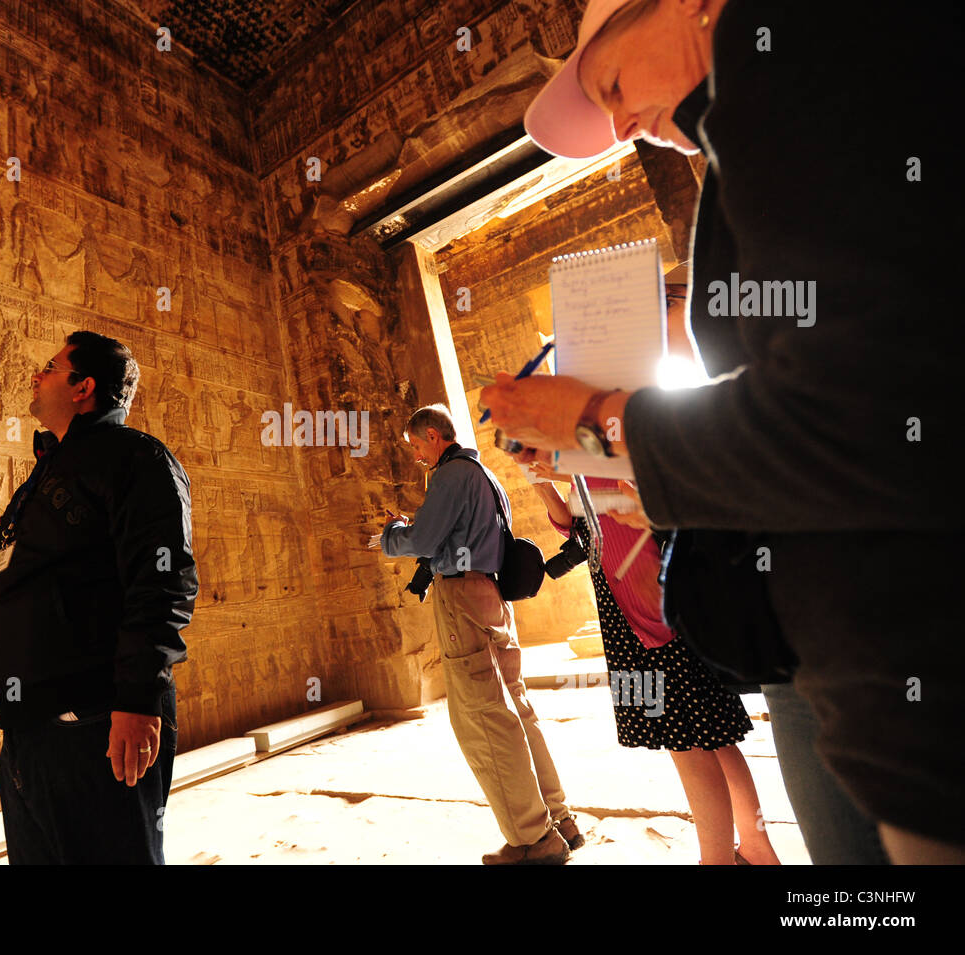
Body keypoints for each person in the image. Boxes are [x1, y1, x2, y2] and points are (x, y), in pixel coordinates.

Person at [484, 0, 961, 862]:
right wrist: (651, 490)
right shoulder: (764, 117)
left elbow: (861, 421)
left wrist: (598, 418)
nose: (624, 124)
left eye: (616, 83)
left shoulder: (791, 70)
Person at [0, 331, 197, 864]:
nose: (36, 376)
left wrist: (136, 700)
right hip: (29, 722)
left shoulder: (136, 458)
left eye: (50, 366)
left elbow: (162, 582)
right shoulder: (52, 471)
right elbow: (2, 561)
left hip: (94, 718)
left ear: (83, 387)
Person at [527, 462, 778, 865]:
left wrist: (567, 473)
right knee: (713, 734)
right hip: (634, 605)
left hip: (649, 607)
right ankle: (756, 850)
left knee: (687, 741)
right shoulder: (577, 453)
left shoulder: (593, 437)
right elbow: (579, 530)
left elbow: (620, 501)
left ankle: (718, 861)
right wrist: (543, 484)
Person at [380, 404, 578, 864]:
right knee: (517, 709)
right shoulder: (483, 475)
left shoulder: (449, 476)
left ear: (432, 436)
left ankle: (533, 839)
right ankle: (559, 820)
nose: (415, 457)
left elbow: (426, 542)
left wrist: (393, 531)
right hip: (492, 596)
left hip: (463, 599)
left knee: (483, 720)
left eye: (414, 447)